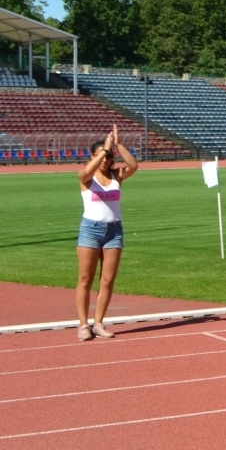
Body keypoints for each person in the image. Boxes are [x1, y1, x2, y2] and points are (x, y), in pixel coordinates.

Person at [74, 126, 138, 341]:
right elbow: (85, 172)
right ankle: (83, 325)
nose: (105, 159)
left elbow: (133, 165)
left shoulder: (116, 176)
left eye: (109, 156)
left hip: (114, 231)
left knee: (107, 280)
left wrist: (117, 145)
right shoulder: (86, 178)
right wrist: (104, 149)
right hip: (90, 230)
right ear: (92, 156)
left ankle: (98, 322)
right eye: (100, 155)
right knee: (85, 278)